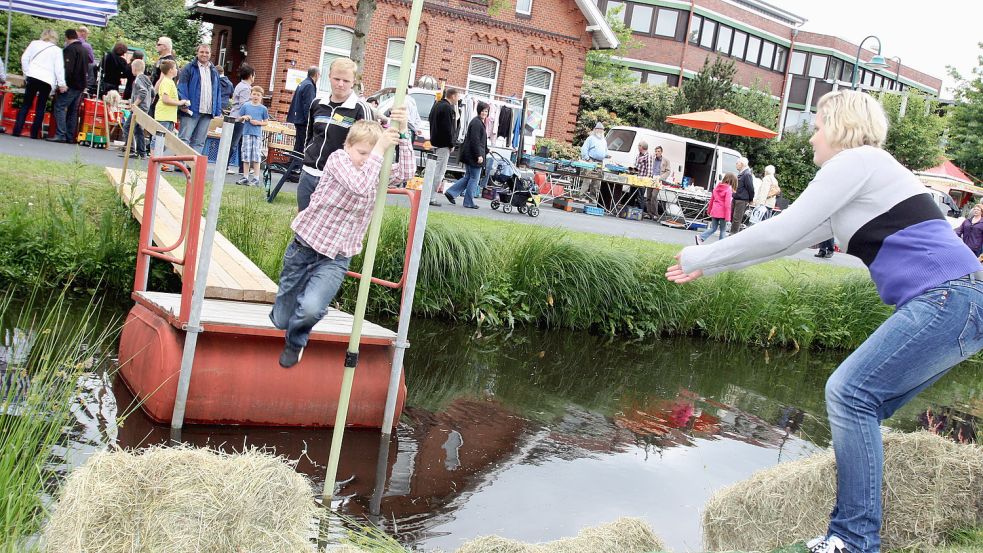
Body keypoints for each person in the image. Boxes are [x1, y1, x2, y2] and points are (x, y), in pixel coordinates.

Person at [666, 89, 983, 553]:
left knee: (849, 393)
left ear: (839, 128)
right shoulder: (864, 181)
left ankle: (853, 539)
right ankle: (857, 532)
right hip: (963, 303)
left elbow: (783, 227)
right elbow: (783, 243)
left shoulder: (857, 162)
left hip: (949, 298)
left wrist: (700, 250)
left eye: (816, 127)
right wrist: (709, 265)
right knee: (864, 405)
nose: (811, 138)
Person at [270, 108, 413, 367]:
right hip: (304, 247)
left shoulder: (375, 169)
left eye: (371, 154)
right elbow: (358, 187)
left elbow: (405, 173)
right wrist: (378, 151)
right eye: (361, 153)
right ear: (347, 146)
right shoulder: (337, 160)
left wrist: (403, 133)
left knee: (311, 308)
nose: (366, 159)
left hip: (336, 257)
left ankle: (296, 341)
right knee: (281, 318)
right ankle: (294, 313)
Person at [297, 57, 374, 212]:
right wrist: (307, 156)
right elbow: (309, 135)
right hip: (309, 172)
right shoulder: (317, 103)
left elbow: (368, 146)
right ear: (329, 77)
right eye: (336, 79)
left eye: (346, 80)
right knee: (302, 221)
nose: (340, 84)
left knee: (326, 227)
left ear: (353, 82)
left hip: (337, 179)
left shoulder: (360, 109)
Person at [14, 29, 64, 139]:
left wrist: (26, 73)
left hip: (33, 76)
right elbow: (59, 69)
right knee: (40, 107)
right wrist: (61, 83)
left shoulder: (34, 44)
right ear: (55, 38)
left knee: (26, 104)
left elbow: (24, 58)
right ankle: (34, 133)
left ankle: (17, 130)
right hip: (47, 80)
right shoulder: (57, 50)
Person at [176, 44, 222, 154]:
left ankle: (192, 166)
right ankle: (180, 164)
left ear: (210, 54)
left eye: (207, 52)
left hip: (207, 111)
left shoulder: (214, 71)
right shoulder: (189, 68)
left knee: (199, 142)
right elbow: (182, 87)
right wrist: (184, 104)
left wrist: (217, 109)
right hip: (191, 110)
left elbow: (218, 91)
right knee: (184, 139)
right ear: (197, 53)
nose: (204, 54)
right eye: (202, 52)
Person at [444, 101, 488, 210]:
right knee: (474, 178)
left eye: (486, 111)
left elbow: (479, 140)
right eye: (482, 111)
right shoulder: (477, 123)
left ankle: (451, 192)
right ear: (479, 111)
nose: (484, 113)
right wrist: (479, 155)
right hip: (474, 156)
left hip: (470, 154)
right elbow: (475, 140)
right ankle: (468, 202)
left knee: (469, 177)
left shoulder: (477, 122)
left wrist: (486, 150)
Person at [49, 29, 88, 144]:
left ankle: (60, 133)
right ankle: (70, 136)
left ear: (67, 37)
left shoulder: (70, 49)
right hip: (81, 84)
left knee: (60, 106)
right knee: (73, 110)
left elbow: (67, 68)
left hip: (71, 84)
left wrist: (62, 83)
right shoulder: (84, 50)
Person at [426, 86, 460, 207]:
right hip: (443, 145)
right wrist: (451, 144)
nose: (458, 99)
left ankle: (427, 195)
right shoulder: (448, 109)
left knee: (431, 171)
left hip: (434, 142)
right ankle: (431, 197)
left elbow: (430, 119)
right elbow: (448, 129)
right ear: (453, 96)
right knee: (439, 172)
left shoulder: (436, 105)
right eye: (458, 96)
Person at [236, 85, 269, 186]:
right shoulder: (246, 106)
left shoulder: (263, 109)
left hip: (257, 135)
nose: (256, 96)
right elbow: (238, 118)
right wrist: (244, 117)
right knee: (246, 155)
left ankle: (256, 178)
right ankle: (245, 176)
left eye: (258, 95)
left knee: (256, 156)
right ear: (251, 95)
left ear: (261, 97)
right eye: (254, 94)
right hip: (246, 134)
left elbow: (266, 122)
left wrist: (258, 123)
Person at [227, 64, 254, 175]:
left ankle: (243, 168)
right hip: (240, 119)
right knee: (234, 144)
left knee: (240, 144)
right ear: (251, 76)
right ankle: (225, 165)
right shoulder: (246, 88)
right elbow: (244, 105)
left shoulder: (240, 85)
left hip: (237, 117)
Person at [152, 60, 188, 140]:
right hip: (164, 116)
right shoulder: (167, 82)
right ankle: (155, 153)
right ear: (170, 70)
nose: (177, 70)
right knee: (158, 139)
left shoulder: (169, 82)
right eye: (175, 68)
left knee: (164, 140)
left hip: (168, 115)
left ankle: (157, 153)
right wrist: (180, 103)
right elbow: (165, 99)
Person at [286, 66, 319, 154]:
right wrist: (310, 121)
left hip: (298, 118)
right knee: (301, 144)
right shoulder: (309, 86)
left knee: (298, 143)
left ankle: (293, 163)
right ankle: (296, 164)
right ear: (316, 74)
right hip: (303, 120)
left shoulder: (303, 83)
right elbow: (308, 105)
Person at [696, 172, 735, 244]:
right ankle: (721, 245)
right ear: (732, 181)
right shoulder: (728, 189)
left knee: (713, 228)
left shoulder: (717, 187)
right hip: (723, 213)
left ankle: (700, 237)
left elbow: (711, 200)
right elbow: (727, 204)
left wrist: (709, 210)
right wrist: (728, 217)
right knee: (723, 230)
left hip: (715, 210)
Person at [126, 59, 154, 158]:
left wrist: (135, 104)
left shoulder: (138, 79)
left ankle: (131, 149)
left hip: (139, 108)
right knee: (138, 129)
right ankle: (142, 152)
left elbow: (143, 92)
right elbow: (152, 92)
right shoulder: (147, 79)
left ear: (134, 68)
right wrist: (149, 103)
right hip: (145, 107)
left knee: (127, 126)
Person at [730, 157, 755, 235]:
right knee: (733, 217)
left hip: (741, 199)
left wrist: (751, 199)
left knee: (736, 218)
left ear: (742, 164)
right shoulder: (742, 173)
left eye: (737, 163)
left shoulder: (747, 174)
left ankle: (733, 235)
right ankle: (735, 233)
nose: (736, 164)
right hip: (736, 198)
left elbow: (750, 188)